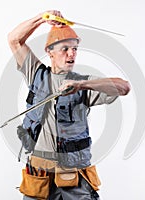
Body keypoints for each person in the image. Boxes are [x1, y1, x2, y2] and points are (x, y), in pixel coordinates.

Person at [8, 10, 130, 200]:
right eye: (65, 48)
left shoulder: (84, 84)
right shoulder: (36, 74)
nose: (71, 54)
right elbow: (14, 39)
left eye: (74, 49)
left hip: (75, 179)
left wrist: (82, 85)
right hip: (40, 177)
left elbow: (124, 87)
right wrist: (43, 18)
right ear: (49, 51)